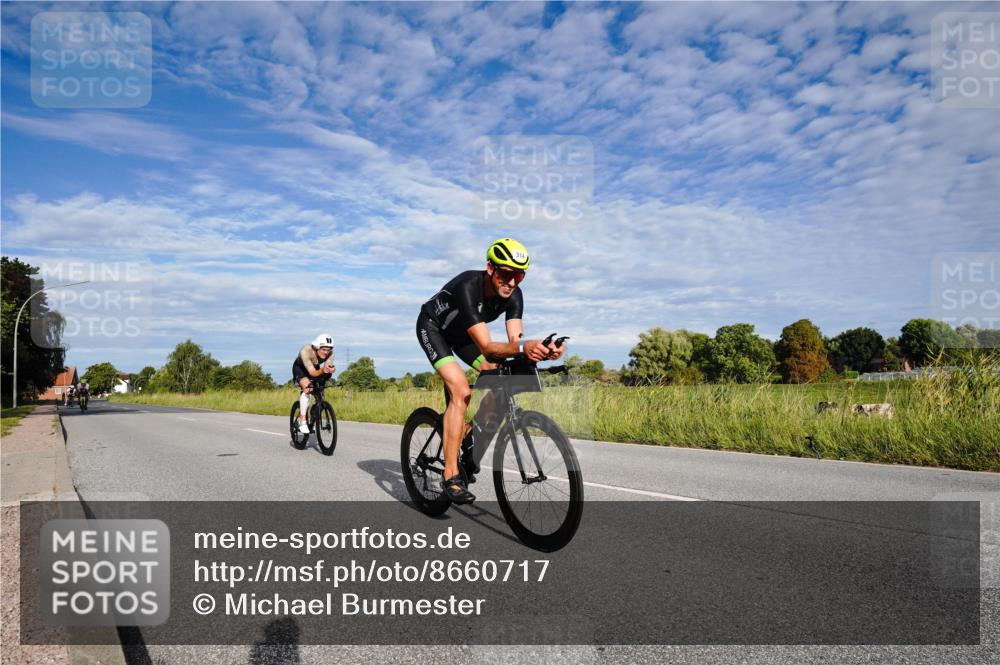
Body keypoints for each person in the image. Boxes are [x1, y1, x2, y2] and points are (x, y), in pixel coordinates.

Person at [416, 238, 564, 504]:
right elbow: (486, 345)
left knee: (501, 375)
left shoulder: (514, 294)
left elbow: (513, 342)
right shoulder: (467, 286)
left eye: (519, 275)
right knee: (461, 391)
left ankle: (469, 432)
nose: (512, 282)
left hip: (463, 337)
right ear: (490, 268)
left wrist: (541, 350)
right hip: (434, 329)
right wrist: (522, 347)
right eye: (506, 274)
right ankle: (451, 476)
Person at [292, 334, 336, 434]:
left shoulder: (330, 353)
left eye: (328, 350)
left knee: (320, 392)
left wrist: (330, 369)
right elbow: (312, 373)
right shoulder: (306, 351)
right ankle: (302, 420)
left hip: (314, 367)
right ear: (316, 347)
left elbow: (327, 367)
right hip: (301, 369)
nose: (326, 352)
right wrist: (323, 370)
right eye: (324, 349)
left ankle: (315, 416)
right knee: (308, 388)